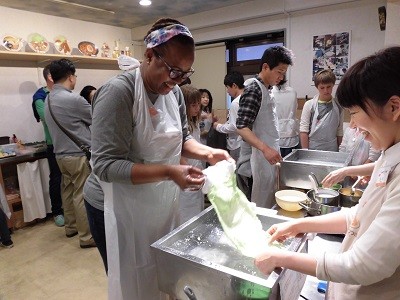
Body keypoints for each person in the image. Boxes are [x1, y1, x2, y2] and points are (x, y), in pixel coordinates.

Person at [90, 18, 232, 300]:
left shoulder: (175, 93)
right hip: (115, 204)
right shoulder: (120, 93)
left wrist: (209, 153)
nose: (177, 80)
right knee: (133, 277)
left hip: (158, 202)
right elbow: (105, 166)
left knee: (160, 274)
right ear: (149, 55)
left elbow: (181, 137)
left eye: (185, 73)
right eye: (173, 71)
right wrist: (169, 172)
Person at [255, 46, 400, 300]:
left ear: (393, 108)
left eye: (355, 112)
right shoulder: (390, 154)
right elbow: (359, 216)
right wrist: (299, 224)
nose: (353, 124)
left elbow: (360, 265)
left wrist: (281, 257)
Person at [44, 58, 95, 249]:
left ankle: (71, 226)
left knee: (68, 190)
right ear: (70, 76)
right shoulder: (73, 99)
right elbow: (96, 118)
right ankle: (86, 236)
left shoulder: (48, 98)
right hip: (77, 154)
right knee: (82, 194)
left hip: (60, 155)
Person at [236, 46, 294, 208]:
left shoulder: (268, 89)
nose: (281, 77)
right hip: (253, 164)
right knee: (254, 208)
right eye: (279, 72)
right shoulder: (254, 89)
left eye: (284, 73)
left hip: (265, 159)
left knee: (266, 203)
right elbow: (241, 127)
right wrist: (265, 148)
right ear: (265, 67)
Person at [32, 64, 64, 227]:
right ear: (51, 77)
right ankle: (57, 211)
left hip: (69, 143)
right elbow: (47, 117)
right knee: (56, 178)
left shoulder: (63, 92)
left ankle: (70, 210)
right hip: (54, 144)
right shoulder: (40, 96)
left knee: (70, 180)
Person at [299, 69, 344, 151]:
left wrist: (340, 152)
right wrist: (305, 151)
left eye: (328, 87)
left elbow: (339, 131)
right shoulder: (309, 105)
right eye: (322, 88)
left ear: (333, 85)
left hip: (332, 148)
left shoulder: (339, 106)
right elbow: (303, 130)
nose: (326, 91)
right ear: (317, 87)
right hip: (313, 148)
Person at [179, 84, 204, 224]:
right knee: (186, 212)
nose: (197, 108)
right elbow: (177, 151)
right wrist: (188, 168)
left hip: (196, 169)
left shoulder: (194, 122)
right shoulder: (180, 125)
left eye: (198, 104)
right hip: (185, 172)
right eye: (193, 105)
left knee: (196, 208)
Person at [212, 71, 244, 162]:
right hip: (243, 143)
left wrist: (217, 126)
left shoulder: (235, 102)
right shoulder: (245, 98)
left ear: (234, 86)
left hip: (237, 144)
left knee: (237, 171)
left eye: (227, 87)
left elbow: (234, 126)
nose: (227, 91)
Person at [272, 78, 299, 157]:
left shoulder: (270, 93)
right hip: (292, 134)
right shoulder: (293, 91)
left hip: (276, 136)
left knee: (276, 167)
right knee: (290, 166)